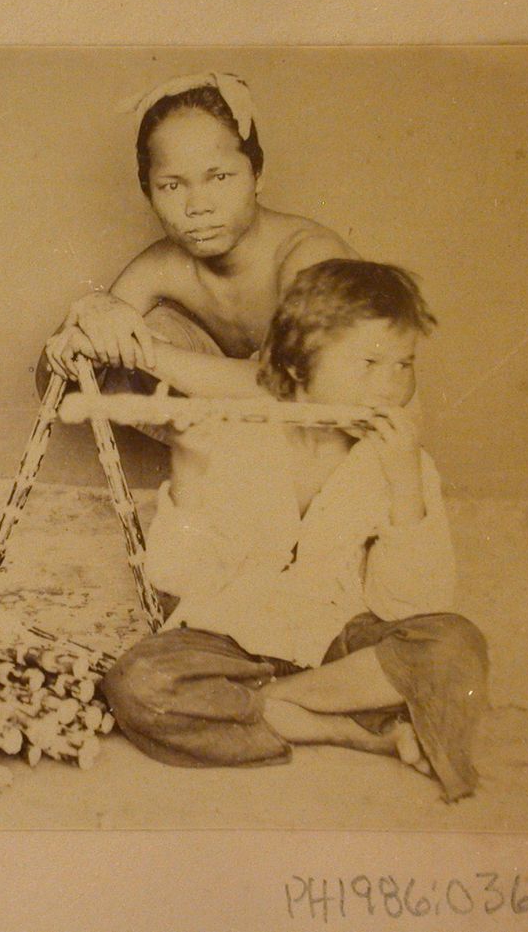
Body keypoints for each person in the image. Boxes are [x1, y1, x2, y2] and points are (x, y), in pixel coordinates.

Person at [99, 259, 489, 802]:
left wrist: (404, 485)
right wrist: (188, 467)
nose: (390, 386)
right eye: (370, 362)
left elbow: (411, 605)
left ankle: (271, 704)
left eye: (404, 365)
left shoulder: (402, 463)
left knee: (455, 646)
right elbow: (178, 578)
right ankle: (351, 730)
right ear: (299, 363)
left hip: (338, 647)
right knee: (139, 685)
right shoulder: (237, 437)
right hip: (232, 640)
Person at [44, 72, 355, 407]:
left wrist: (142, 351)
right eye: (173, 186)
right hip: (250, 441)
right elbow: (55, 387)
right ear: (148, 193)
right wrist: (92, 315)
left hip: (356, 446)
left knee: (139, 338)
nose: (198, 207)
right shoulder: (163, 264)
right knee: (132, 323)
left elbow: (296, 390)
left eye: (219, 177)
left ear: (257, 176)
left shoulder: (310, 256)